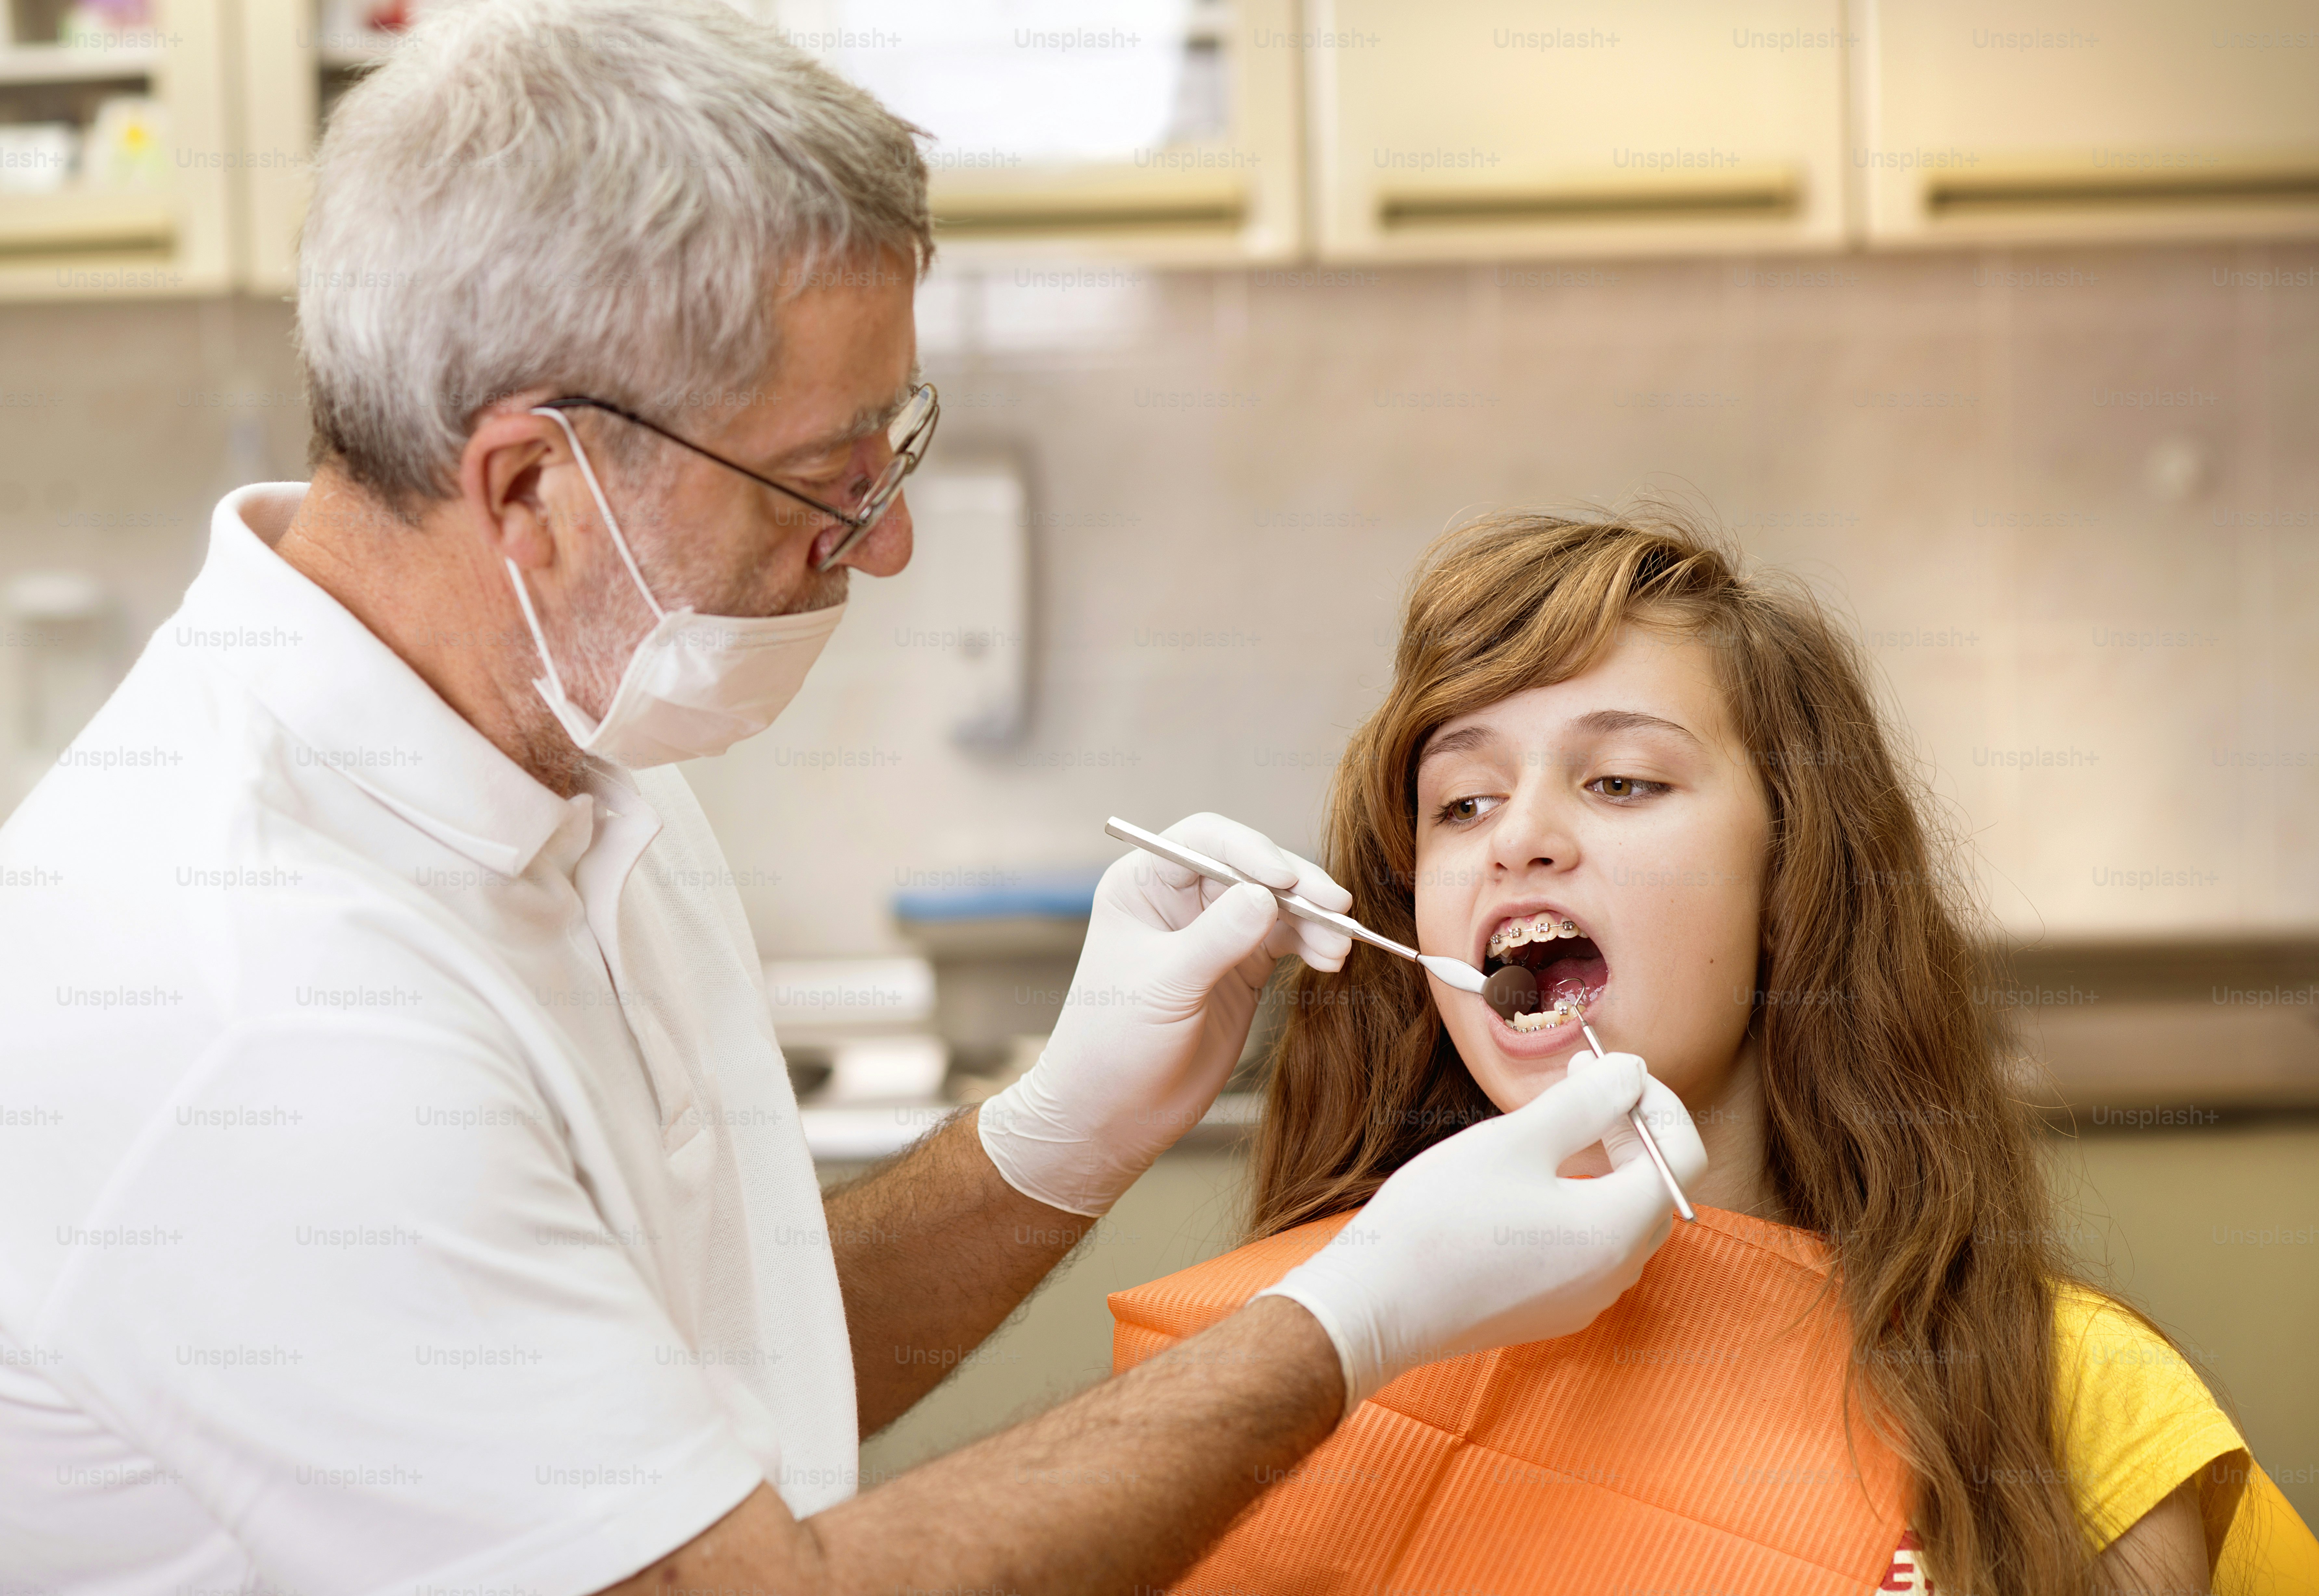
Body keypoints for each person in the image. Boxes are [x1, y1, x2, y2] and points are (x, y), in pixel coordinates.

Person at [0, 4, 1704, 1592]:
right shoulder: (254, 1010)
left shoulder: (564, 745)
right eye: (826, 482)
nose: (884, 545)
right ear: (535, 488)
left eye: (895, 454)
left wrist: (1061, 1135)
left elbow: (701, 1383)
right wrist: (1361, 1315)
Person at [1111, 510, 2319, 1596]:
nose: (1517, 837)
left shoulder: (2067, 1406)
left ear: (1791, 881)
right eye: (1461, 803)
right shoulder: (1284, 1362)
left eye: (1624, 781)